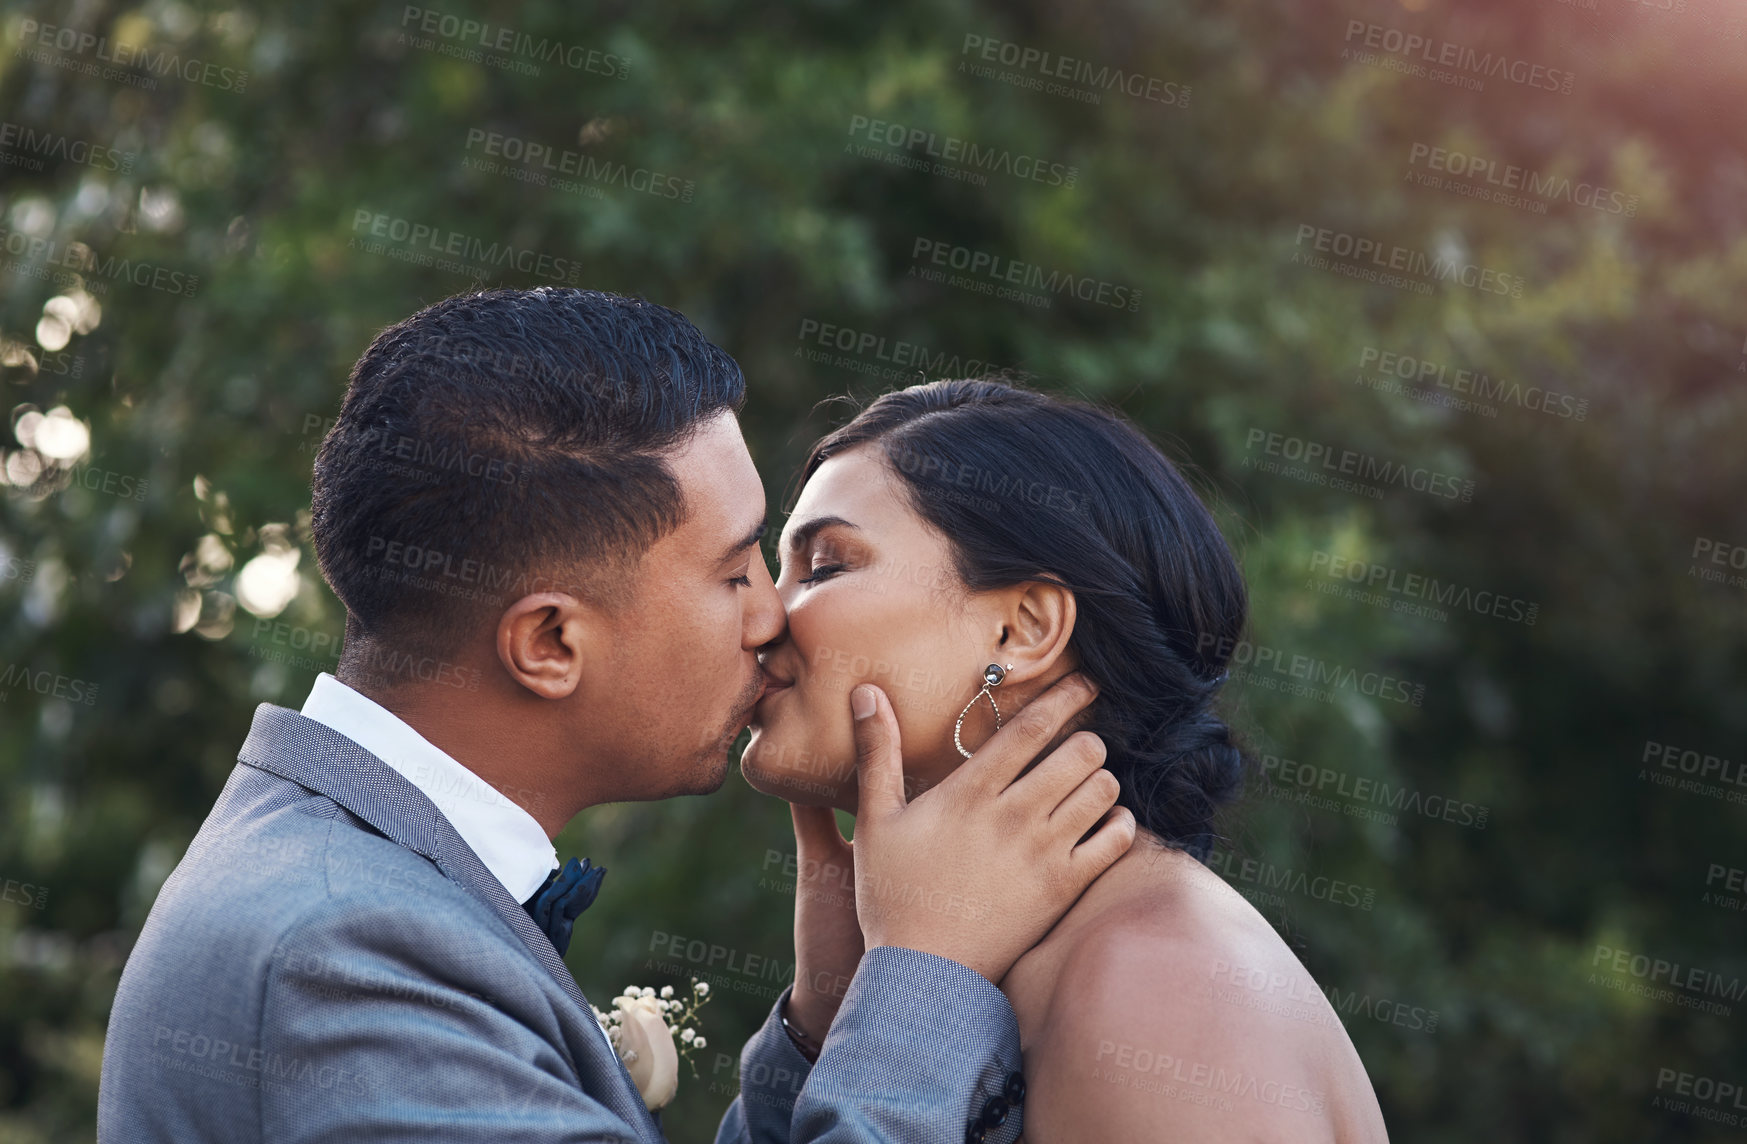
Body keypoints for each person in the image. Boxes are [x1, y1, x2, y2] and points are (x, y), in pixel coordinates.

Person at [96, 289, 1135, 1144]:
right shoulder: (342, 956)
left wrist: (826, 1028)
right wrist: (926, 978)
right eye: (736, 572)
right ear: (550, 643)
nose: (773, 617)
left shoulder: (350, 887)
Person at [742, 377, 1392, 1142]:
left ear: (1021, 630)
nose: (759, 613)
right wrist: (832, 1020)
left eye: (823, 566)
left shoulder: (1154, 984)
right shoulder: (1039, 955)